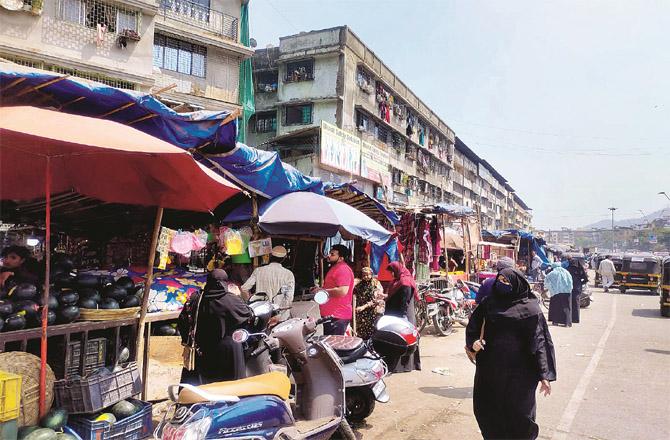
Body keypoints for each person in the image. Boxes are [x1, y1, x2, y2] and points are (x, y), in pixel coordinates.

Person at [466, 268, 557, 440]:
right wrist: (473, 342)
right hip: (491, 369)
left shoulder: (531, 309)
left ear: (517, 284)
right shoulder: (489, 303)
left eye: (507, 281)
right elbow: (474, 325)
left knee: (519, 414)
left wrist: (544, 374)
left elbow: (540, 342)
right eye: (499, 280)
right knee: (488, 409)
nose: (502, 284)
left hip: (521, 373)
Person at [178, 269, 253, 384]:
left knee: (205, 386)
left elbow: (182, 321)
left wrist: (188, 339)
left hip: (203, 351)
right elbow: (248, 314)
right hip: (229, 352)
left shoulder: (196, 298)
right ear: (224, 282)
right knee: (232, 387)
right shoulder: (230, 300)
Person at [241, 246, 295, 321]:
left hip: (260, 314)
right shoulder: (288, 274)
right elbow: (289, 298)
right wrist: (281, 313)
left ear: (270, 256)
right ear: (284, 258)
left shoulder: (259, 271)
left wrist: (250, 303)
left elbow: (244, 289)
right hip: (279, 317)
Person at [385, 261, 421, 372]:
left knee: (404, 338)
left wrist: (402, 316)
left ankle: (404, 366)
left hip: (403, 315)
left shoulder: (405, 282)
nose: (391, 274)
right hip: (396, 315)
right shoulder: (398, 281)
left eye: (392, 271)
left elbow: (405, 300)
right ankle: (398, 365)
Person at [317, 244, 355, 335]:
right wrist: (320, 289)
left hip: (337, 316)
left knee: (334, 347)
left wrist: (322, 291)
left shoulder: (342, 269)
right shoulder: (336, 268)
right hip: (332, 315)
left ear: (341, 258)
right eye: (330, 253)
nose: (329, 256)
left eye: (332, 254)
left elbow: (342, 291)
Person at [354, 267, 385, 340]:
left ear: (371, 274)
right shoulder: (359, 284)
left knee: (372, 331)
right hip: (361, 313)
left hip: (373, 312)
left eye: (368, 275)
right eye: (364, 275)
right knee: (361, 332)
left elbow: (377, 299)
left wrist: (364, 306)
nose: (366, 277)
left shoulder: (376, 284)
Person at [545, 262, 573, 326]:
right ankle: (567, 322)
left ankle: (555, 321)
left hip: (556, 292)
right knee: (566, 306)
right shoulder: (567, 272)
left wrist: (550, 288)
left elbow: (546, 282)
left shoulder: (552, 273)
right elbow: (571, 282)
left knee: (556, 307)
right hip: (567, 292)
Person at [566, 257, 588, 324]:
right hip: (576, 287)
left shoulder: (569, 269)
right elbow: (586, 279)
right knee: (575, 302)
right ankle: (575, 319)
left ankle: (572, 318)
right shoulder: (579, 269)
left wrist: (580, 283)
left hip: (572, 287)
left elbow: (585, 279)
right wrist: (580, 283)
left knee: (571, 302)